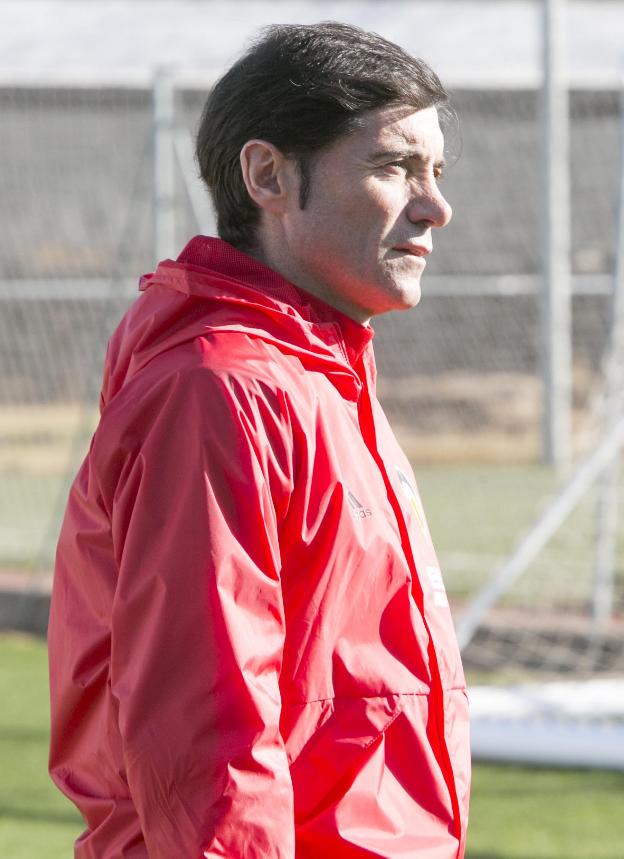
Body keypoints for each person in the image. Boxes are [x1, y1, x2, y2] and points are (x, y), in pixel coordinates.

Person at [48, 21, 470, 859]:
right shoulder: (219, 392)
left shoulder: (322, 377)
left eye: (437, 171)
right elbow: (207, 733)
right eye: (394, 166)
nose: (436, 205)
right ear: (268, 174)